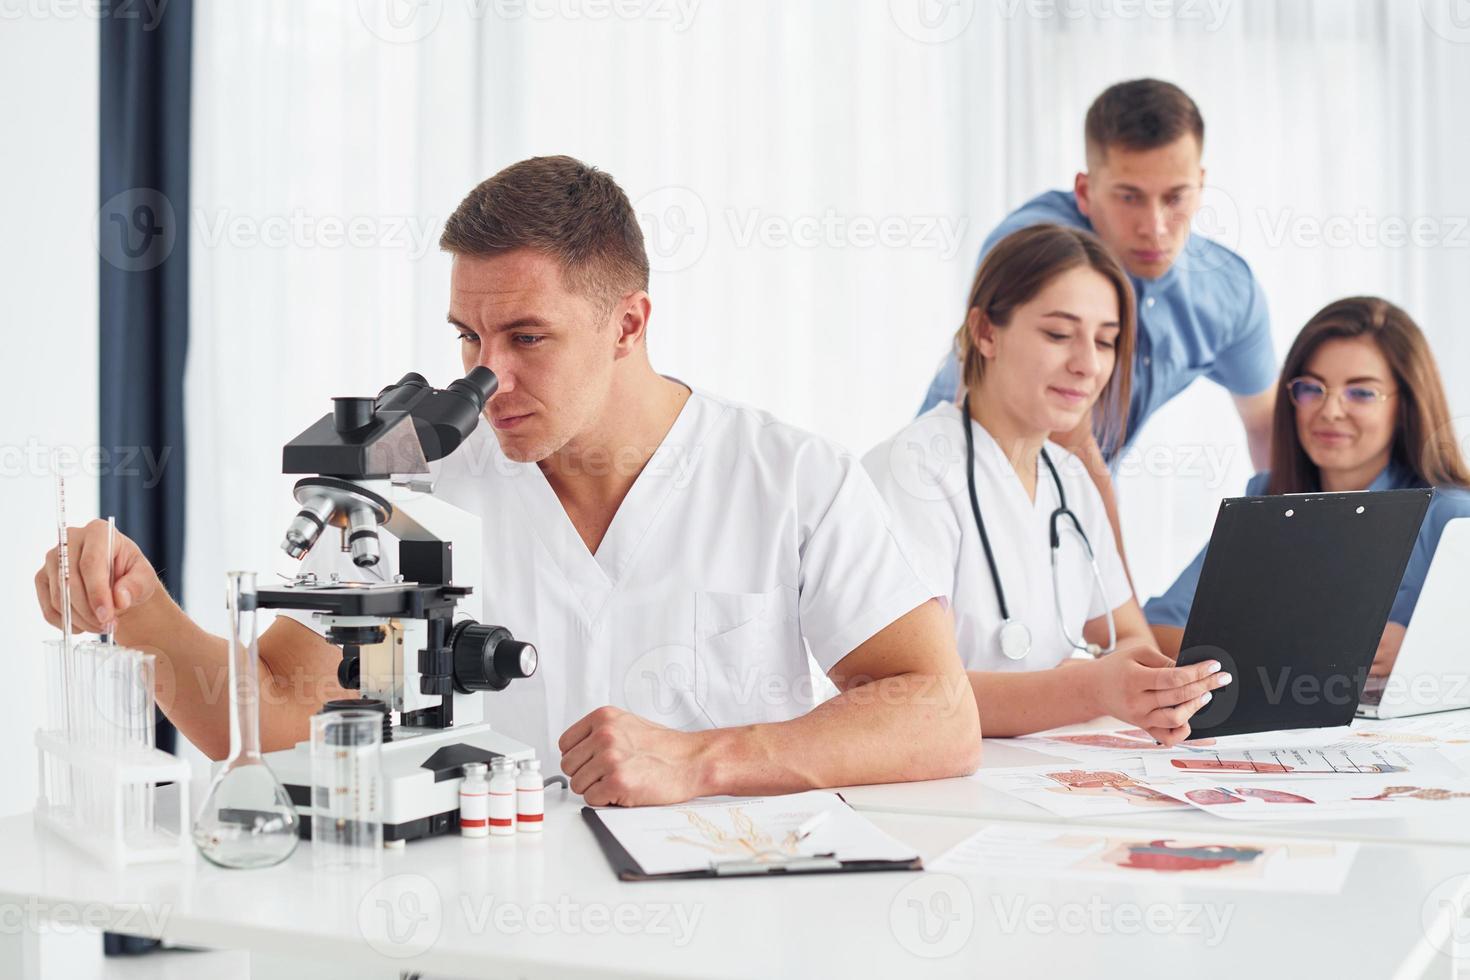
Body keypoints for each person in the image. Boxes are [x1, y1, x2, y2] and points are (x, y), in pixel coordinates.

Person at [35, 155, 981, 807]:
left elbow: (938, 715)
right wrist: (141, 610)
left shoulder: (790, 476)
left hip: (716, 917)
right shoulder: (413, 477)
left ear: (627, 323)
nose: (486, 378)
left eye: (526, 337)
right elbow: (275, 711)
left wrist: (706, 760)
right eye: (467, 338)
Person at [865, 224, 1230, 745]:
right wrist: (1090, 688)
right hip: (945, 781)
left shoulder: (1072, 479)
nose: (1087, 365)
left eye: (1105, 341)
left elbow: (1128, 634)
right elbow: (915, 695)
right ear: (986, 332)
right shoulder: (912, 472)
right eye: (1059, 335)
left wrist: (1149, 686)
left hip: (1051, 770)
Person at [918, 79, 1277, 559]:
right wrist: (1119, 605)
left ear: (1201, 185)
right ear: (1085, 192)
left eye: (1175, 197)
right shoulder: (1033, 249)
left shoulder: (1228, 292)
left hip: (1063, 511)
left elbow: (1268, 427)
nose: (1154, 226)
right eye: (1129, 197)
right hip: (953, 500)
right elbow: (1071, 443)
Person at [1146, 296, 1470, 676]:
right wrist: (1286, 651)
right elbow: (1158, 629)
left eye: (1361, 392)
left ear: (1406, 406)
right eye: (1312, 388)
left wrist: (1423, 653)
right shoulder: (1265, 503)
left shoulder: (1454, 516)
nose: (1329, 410)